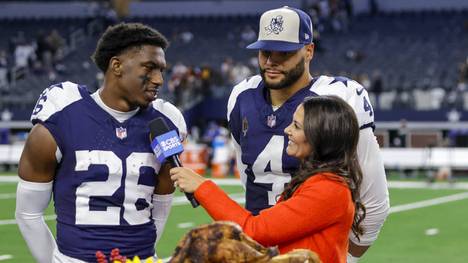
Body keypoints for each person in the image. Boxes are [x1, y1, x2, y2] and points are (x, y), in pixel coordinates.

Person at [225, 6, 389, 262]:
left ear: (309, 51)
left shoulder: (339, 97)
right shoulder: (242, 96)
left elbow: (374, 200)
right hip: (257, 246)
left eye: (285, 53)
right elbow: (248, 176)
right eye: (266, 51)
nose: (271, 61)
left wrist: (344, 257)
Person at [15, 23, 187, 263]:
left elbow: (160, 208)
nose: (159, 79)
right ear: (116, 66)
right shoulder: (62, 116)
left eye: (162, 70)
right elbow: (28, 213)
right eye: (150, 68)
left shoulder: (167, 121)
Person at [171, 95, 366, 263]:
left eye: (296, 126)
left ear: (320, 137)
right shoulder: (319, 181)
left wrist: (202, 187)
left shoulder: (329, 188)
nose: (287, 130)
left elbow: (254, 231)